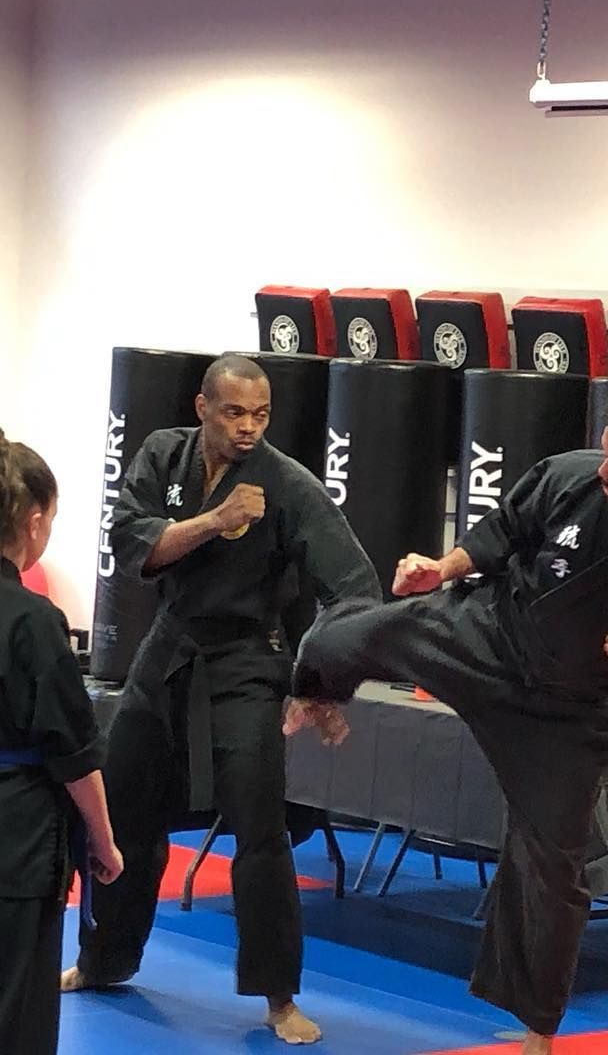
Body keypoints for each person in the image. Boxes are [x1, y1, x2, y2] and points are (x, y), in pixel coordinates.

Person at [285, 379, 608, 1055]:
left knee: (552, 864)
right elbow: (503, 532)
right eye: (605, 454)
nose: (605, 471)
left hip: (566, 710)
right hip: (485, 634)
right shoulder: (570, 477)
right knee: (343, 636)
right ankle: (319, 693)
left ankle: (539, 1028)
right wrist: (440, 570)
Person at [62, 355, 381, 1045]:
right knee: (122, 810)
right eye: (234, 412)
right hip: (170, 643)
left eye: (260, 415)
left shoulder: (288, 485)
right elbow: (131, 540)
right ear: (203, 406)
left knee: (259, 827)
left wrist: (320, 680)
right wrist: (217, 519)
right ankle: (103, 958)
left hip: (249, 657)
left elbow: (356, 586)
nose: (247, 428)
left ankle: (278, 997)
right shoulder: (162, 453)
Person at [0, 430, 124, 1055]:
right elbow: (74, 752)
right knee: (16, 1008)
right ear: (34, 519)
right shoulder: (32, 622)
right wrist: (102, 840)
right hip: (14, 842)